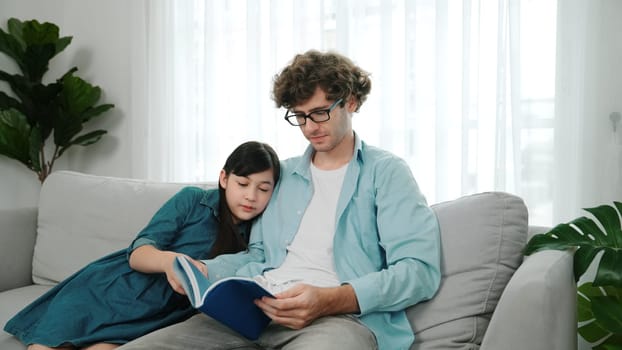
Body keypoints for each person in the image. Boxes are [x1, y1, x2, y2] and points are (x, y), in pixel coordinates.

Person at [119, 50, 441, 350]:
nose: (310, 127)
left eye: (320, 113)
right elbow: (258, 254)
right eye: (299, 116)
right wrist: (204, 270)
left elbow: (419, 272)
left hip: (339, 320)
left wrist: (330, 300)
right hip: (252, 311)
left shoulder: (386, 173)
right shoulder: (282, 176)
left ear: (352, 102)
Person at [3, 141, 281, 350]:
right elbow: (139, 252)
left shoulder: (260, 233)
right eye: (243, 183)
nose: (251, 196)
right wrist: (170, 262)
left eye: (263, 189)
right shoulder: (193, 200)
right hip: (113, 289)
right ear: (224, 178)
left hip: (159, 314)